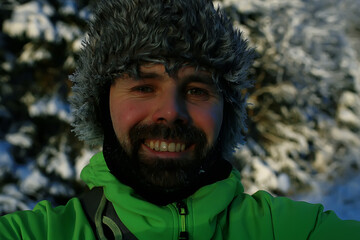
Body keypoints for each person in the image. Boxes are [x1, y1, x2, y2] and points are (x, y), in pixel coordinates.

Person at [1, 0, 359, 239]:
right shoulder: (39, 232)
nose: (171, 111)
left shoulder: (290, 231)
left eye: (197, 90)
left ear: (226, 113)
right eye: (143, 86)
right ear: (101, 106)